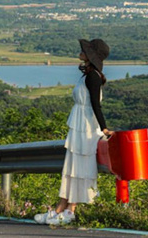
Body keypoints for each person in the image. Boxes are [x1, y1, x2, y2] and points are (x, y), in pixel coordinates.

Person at [34, 38, 115, 226]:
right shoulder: (86, 75)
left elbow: (96, 105)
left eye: (85, 50)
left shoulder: (93, 77)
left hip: (86, 126)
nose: (81, 51)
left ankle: (70, 210)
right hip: (79, 124)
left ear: (91, 55)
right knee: (72, 168)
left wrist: (103, 128)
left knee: (79, 167)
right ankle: (60, 208)